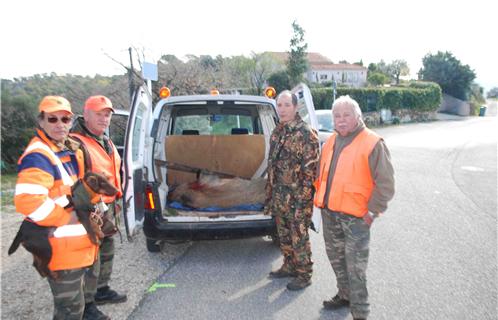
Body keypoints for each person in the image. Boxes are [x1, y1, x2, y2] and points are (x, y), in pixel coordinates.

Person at [14, 96, 108, 319]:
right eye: (52, 119)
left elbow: (67, 191)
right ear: (41, 122)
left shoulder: (64, 149)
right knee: (69, 311)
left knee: (75, 307)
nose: (60, 124)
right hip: (60, 249)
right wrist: (69, 218)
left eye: (65, 119)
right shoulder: (39, 155)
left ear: (71, 120)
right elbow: (29, 201)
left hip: (72, 249)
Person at [314, 95, 395, 320]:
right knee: (336, 259)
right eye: (336, 116)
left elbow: (386, 184)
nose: (340, 120)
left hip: (357, 219)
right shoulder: (331, 140)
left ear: (357, 116)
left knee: (355, 268)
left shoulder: (372, 142)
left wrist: (372, 213)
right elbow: (322, 174)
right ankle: (344, 295)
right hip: (330, 213)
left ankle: (360, 312)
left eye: (346, 115)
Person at [70, 95, 127, 308]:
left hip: (108, 206)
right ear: (85, 115)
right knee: (89, 257)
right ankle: (87, 303)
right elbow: (74, 183)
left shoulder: (105, 141)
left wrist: (117, 200)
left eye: (107, 115)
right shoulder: (76, 143)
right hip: (90, 209)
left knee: (106, 250)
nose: (104, 119)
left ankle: (101, 289)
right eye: (98, 114)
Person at [264, 90, 320, 291]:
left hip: (298, 198)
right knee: (284, 234)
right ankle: (289, 265)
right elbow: (273, 164)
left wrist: (303, 202)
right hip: (280, 195)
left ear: (296, 107)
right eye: (279, 105)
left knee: (299, 236)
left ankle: (304, 274)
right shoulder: (278, 131)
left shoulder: (306, 133)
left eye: (287, 105)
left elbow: (310, 173)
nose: (282, 109)